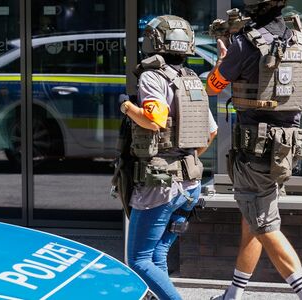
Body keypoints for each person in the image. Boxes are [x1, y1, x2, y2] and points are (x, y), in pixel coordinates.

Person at [204, 1, 302, 299]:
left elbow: (214, 87)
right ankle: (235, 292)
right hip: (288, 148)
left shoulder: (244, 45)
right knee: (253, 217)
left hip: (255, 149)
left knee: (264, 225)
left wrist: (223, 59)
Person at [118, 15, 218, 300]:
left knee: (138, 260)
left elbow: (154, 119)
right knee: (158, 254)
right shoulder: (192, 80)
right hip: (190, 185)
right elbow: (210, 133)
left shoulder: (152, 76)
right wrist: (185, 161)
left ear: (153, 42)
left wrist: (125, 106)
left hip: (159, 186)